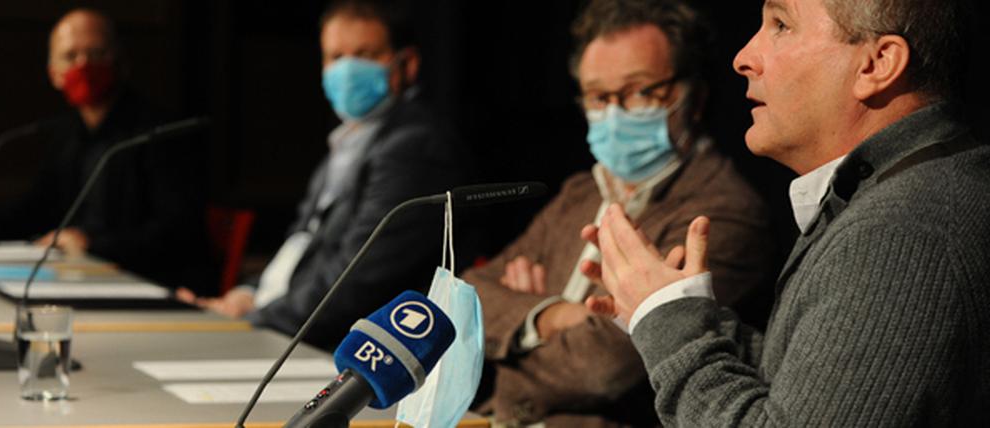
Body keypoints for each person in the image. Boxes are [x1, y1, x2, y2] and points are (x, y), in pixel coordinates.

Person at [583, 0, 990, 425]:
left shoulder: (903, 235)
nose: (742, 59)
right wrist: (674, 316)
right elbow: (814, 387)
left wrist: (672, 328)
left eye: (781, 25)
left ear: (877, 64)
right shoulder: (907, 194)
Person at [464, 0, 777, 425]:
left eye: (640, 91)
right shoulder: (582, 191)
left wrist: (500, 346)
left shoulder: (723, 213)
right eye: (598, 96)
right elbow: (468, 295)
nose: (614, 112)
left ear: (695, 98)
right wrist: (550, 314)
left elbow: (604, 368)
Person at [182, 0, 469, 350]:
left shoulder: (413, 146)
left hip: (344, 349)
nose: (347, 69)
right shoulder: (350, 138)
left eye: (364, 55)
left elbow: (354, 279)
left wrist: (250, 321)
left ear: (406, 64)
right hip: (284, 324)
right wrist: (248, 294)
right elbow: (303, 243)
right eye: (335, 57)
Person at [0, 9, 210, 292]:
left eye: (96, 54)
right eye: (71, 56)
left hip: (148, 281)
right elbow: (34, 208)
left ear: (121, 62)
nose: (83, 65)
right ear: (54, 74)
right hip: (78, 277)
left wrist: (92, 244)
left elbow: (178, 230)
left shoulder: (158, 133)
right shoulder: (67, 133)